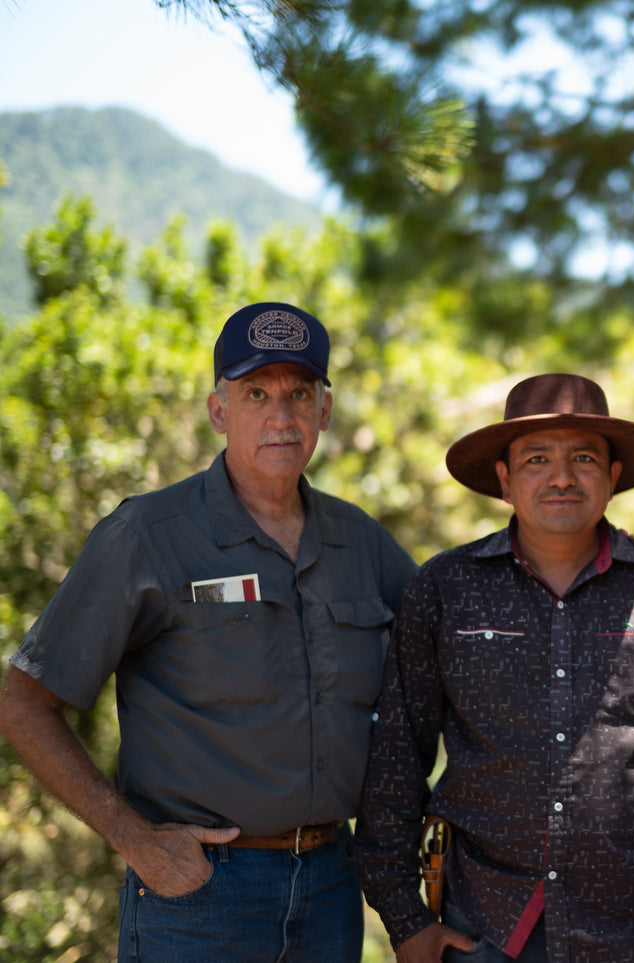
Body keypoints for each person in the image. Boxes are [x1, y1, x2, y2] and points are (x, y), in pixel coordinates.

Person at [0, 301, 418, 961]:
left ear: (324, 412)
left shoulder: (362, 542)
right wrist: (133, 837)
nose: (281, 416)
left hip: (332, 889)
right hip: (199, 897)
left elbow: (451, 665)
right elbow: (24, 699)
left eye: (299, 394)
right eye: (256, 393)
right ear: (219, 410)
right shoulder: (147, 535)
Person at [354, 373, 634, 963]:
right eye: (537, 459)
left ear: (614, 476)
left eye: (584, 458)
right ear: (504, 478)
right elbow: (397, 751)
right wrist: (403, 916)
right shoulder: (446, 587)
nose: (562, 477)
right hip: (484, 925)